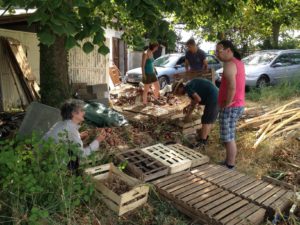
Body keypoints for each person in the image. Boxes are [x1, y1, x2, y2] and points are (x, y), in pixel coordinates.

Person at [43, 99, 106, 170]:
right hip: (50, 162)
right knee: (75, 158)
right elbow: (82, 154)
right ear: (73, 113)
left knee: (72, 152)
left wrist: (79, 136)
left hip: (43, 155)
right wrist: (98, 140)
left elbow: (64, 138)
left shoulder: (61, 123)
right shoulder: (72, 130)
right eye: (81, 111)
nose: (84, 113)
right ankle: (67, 172)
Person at [215, 40, 245, 169]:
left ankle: (230, 165)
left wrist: (226, 104)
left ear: (228, 50)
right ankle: (228, 161)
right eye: (215, 51)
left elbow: (232, 87)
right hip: (237, 104)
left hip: (231, 106)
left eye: (219, 51)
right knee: (229, 135)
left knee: (228, 137)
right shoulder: (238, 62)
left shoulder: (229, 64)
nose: (217, 54)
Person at [172, 78, 219, 146]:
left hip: (214, 97)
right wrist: (188, 108)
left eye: (177, 92)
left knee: (206, 120)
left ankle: (202, 142)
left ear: (180, 88)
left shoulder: (188, 87)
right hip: (215, 95)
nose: (179, 94)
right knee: (208, 119)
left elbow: (198, 99)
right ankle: (204, 137)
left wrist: (188, 115)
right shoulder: (189, 85)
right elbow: (194, 101)